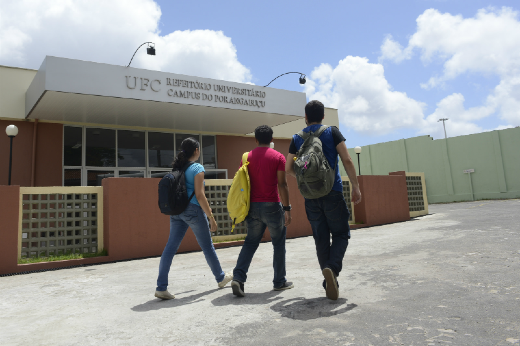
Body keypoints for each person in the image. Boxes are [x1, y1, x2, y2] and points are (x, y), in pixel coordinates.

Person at [285, 100, 362, 300]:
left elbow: (288, 169)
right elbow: (347, 159)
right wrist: (355, 186)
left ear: (306, 117)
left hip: (310, 197)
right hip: (333, 192)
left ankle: (329, 278)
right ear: (323, 116)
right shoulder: (332, 132)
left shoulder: (297, 138)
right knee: (341, 234)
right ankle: (332, 269)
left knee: (320, 238)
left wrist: (305, 180)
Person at [155, 137, 232, 300]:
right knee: (207, 246)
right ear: (196, 151)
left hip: (177, 212)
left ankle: (161, 287)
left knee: (170, 247)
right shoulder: (197, 167)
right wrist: (211, 217)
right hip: (193, 210)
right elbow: (200, 194)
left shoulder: (179, 167)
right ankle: (220, 277)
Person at [231, 125, 293, 297]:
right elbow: (282, 184)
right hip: (273, 205)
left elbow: (243, 183)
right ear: (272, 140)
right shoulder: (278, 157)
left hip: (252, 207)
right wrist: (287, 209)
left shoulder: (246, 157)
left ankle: (238, 277)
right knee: (278, 243)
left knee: (250, 242)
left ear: (256, 139)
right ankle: (279, 282)